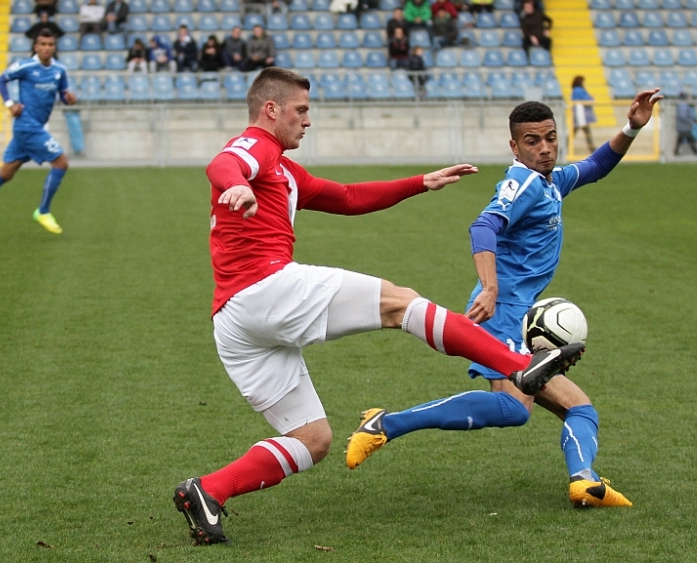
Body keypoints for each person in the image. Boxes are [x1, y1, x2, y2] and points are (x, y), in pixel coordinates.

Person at [172, 67, 585, 545]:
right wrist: (237, 184)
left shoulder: (284, 170)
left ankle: (208, 490)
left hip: (235, 322)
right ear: (271, 109)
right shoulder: (256, 147)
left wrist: (420, 181)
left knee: (313, 440)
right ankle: (518, 366)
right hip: (265, 288)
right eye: (301, 110)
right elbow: (224, 163)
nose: (307, 120)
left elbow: (348, 197)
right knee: (400, 304)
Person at [345, 89, 664, 510]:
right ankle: (385, 424)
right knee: (515, 408)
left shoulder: (550, 181)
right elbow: (484, 226)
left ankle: (584, 482)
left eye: (550, 137)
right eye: (533, 141)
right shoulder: (524, 182)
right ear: (515, 146)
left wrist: (632, 127)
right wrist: (490, 287)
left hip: (522, 314)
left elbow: (596, 166)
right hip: (503, 312)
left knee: (579, 408)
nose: (545, 148)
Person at [0, 29, 76, 237]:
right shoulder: (26, 66)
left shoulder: (59, 70)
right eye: (43, 44)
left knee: (6, 173)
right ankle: (43, 212)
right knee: (61, 163)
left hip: (35, 127)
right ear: (36, 47)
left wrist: (69, 99)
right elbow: (0, 80)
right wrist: (10, 104)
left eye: (50, 44)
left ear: (54, 47)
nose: (47, 48)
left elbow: (63, 94)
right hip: (27, 126)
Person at [571, 75, 597, 153]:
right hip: (581, 115)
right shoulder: (578, 90)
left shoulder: (575, 90)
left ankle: (592, 148)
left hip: (579, 115)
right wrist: (591, 98)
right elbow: (586, 99)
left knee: (577, 132)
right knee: (584, 133)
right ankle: (592, 149)